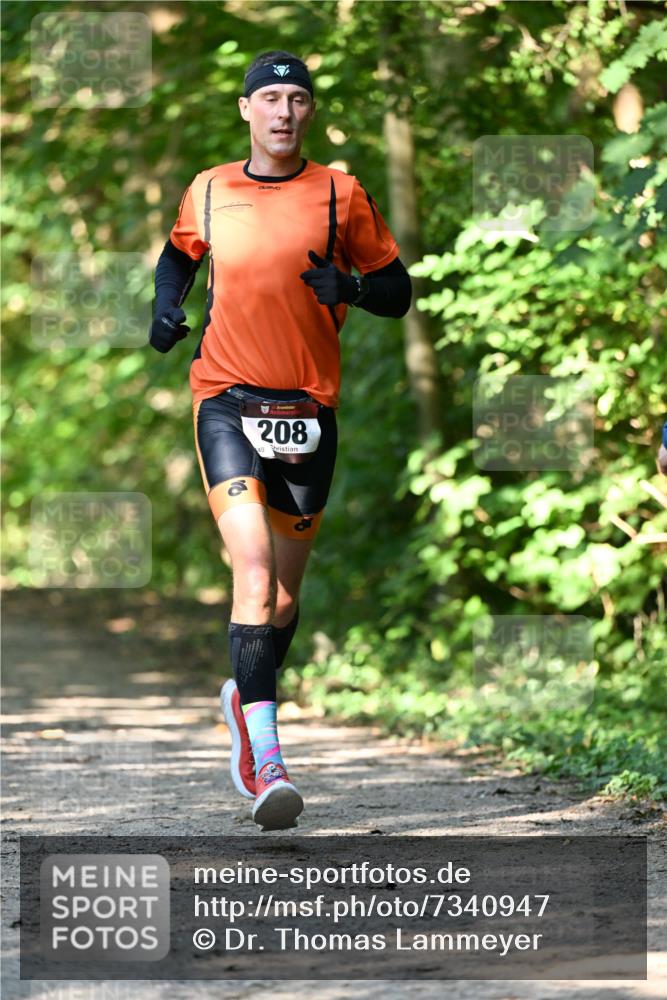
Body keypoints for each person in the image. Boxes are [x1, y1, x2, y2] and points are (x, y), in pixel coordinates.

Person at [149, 50, 411, 830]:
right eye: (270, 98)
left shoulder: (340, 192)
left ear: (309, 112)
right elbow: (176, 257)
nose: (284, 112)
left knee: (284, 597)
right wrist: (166, 309)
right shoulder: (210, 187)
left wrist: (355, 290)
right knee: (253, 575)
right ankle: (267, 760)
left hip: (307, 412)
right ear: (246, 111)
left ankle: (244, 695)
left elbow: (397, 290)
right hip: (225, 398)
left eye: (297, 98)